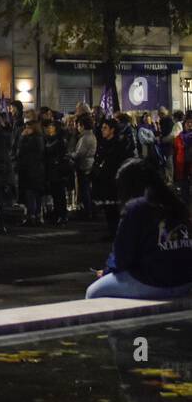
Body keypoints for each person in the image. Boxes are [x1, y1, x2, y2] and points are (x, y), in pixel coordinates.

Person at [85, 159, 192, 299]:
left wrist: (106, 272)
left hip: (157, 281)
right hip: (186, 280)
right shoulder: (176, 203)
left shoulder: (136, 208)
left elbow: (122, 257)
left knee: (93, 292)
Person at [17, 119, 46, 225]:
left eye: (28, 128)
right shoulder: (40, 138)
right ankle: (38, 215)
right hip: (37, 170)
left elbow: (21, 150)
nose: (26, 130)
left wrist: (22, 137)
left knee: (30, 194)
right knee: (36, 194)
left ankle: (31, 216)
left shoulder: (31, 139)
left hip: (31, 170)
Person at [43, 118, 70, 225]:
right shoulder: (48, 139)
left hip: (58, 170)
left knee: (60, 194)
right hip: (51, 169)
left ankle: (62, 215)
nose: (49, 129)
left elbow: (61, 155)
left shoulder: (59, 141)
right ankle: (57, 213)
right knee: (55, 194)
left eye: (52, 127)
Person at [72, 114, 97, 219]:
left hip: (84, 165)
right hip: (89, 164)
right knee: (86, 189)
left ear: (82, 126)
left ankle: (87, 211)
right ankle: (88, 210)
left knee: (84, 189)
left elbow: (79, 153)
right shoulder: (91, 136)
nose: (77, 127)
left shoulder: (85, 138)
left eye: (78, 125)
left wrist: (70, 155)